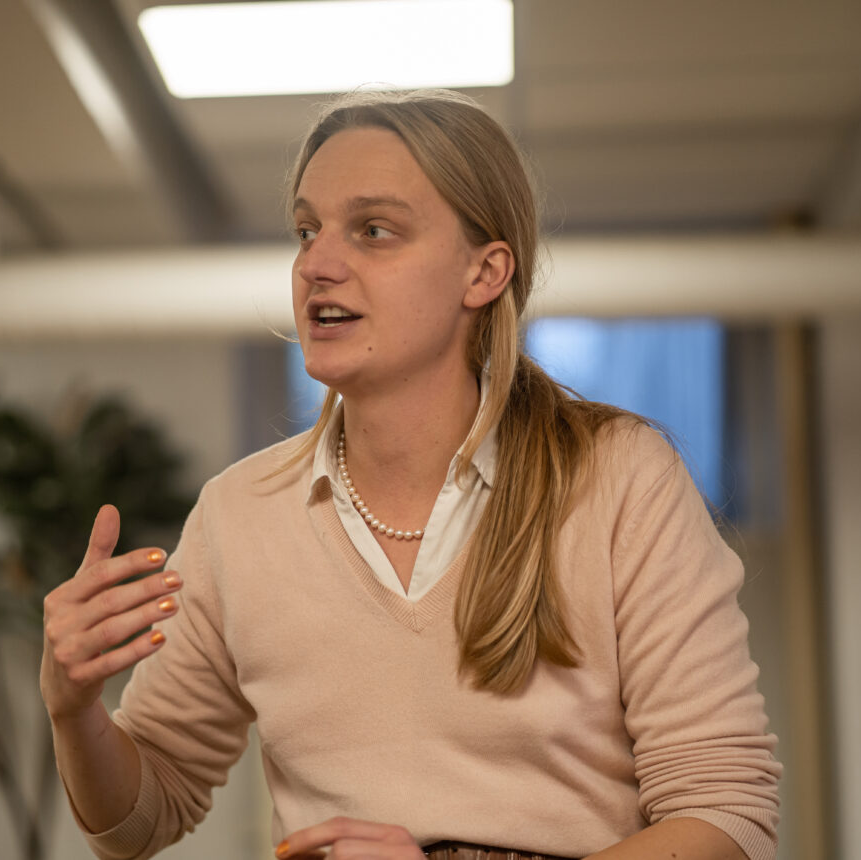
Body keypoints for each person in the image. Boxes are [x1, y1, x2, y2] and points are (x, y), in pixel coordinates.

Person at [40, 90, 781, 860]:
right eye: (306, 231)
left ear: (483, 272)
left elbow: (726, 818)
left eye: (373, 230)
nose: (316, 265)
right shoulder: (238, 515)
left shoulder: (619, 478)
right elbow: (141, 818)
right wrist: (73, 709)